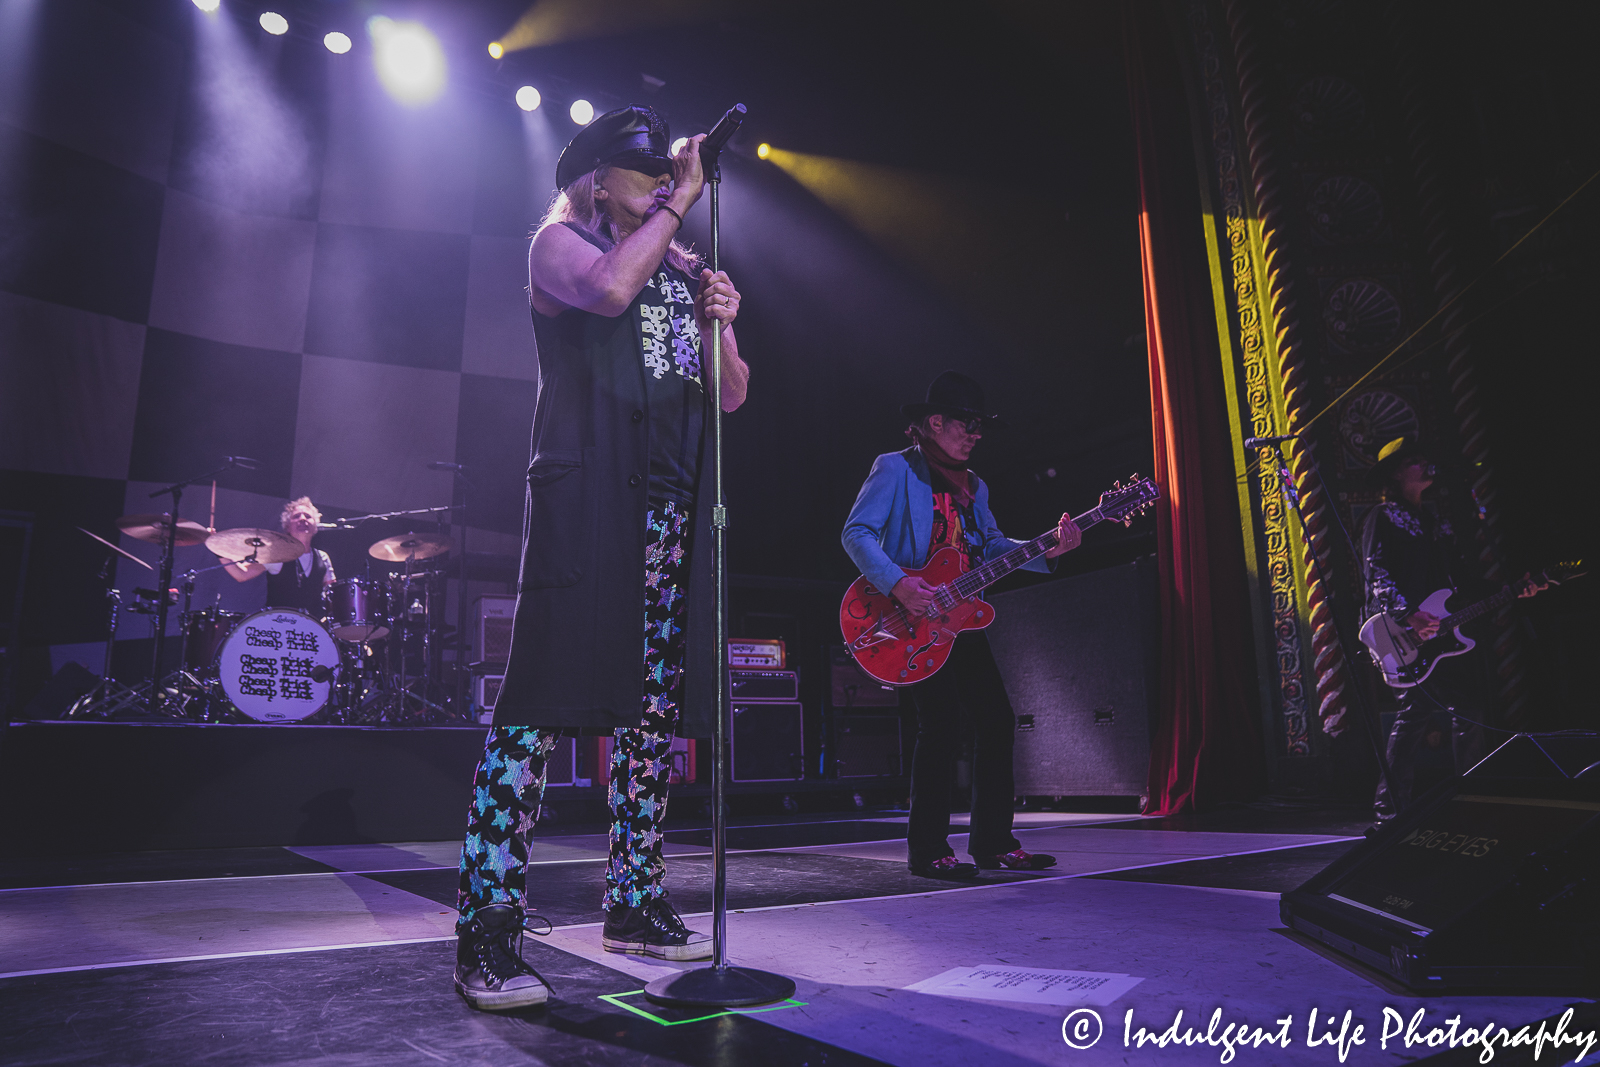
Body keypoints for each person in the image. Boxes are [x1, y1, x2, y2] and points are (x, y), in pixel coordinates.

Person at [451, 105, 749, 1011]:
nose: (663, 180)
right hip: (587, 506)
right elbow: (610, 292)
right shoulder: (558, 246)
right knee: (535, 709)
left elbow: (731, 395)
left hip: (666, 514)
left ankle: (635, 899)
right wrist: (678, 209)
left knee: (651, 717)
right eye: (642, 169)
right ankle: (487, 929)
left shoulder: (678, 264)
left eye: (667, 170)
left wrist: (723, 322)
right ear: (591, 179)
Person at [842, 371, 1080, 879]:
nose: (976, 435)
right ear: (934, 422)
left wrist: (1046, 548)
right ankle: (928, 849)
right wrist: (899, 585)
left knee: (995, 719)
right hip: (910, 616)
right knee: (941, 724)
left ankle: (993, 842)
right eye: (968, 425)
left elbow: (991, 547)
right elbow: (857, 532)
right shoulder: (895, 469)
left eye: (979, 427)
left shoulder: (976, 486)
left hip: (959, 617)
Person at [1360, 436, 1541, 828]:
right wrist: (1407, 615)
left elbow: (1459, 580)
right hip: (1402, 634)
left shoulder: (1435, 520)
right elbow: (1376, 573)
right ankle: (1389, 814)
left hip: (1440, 635)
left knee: (1466, 709)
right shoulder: (1381, 517)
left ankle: (1467, 800)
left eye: (1426, 459)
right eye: (1416, 461)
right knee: (1416, 710)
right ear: (1396, 473)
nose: (1426, 465)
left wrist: (1509, 589)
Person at [218, 496, 335, 613]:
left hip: (312, 627)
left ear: (315, 526)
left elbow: (334, 594)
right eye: (296, 516)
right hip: (278, 625)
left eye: (308, 516)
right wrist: (218, 550)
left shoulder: (322, 557)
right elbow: (242, 574)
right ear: (288, 526)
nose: (302, 519)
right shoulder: (276, 554)